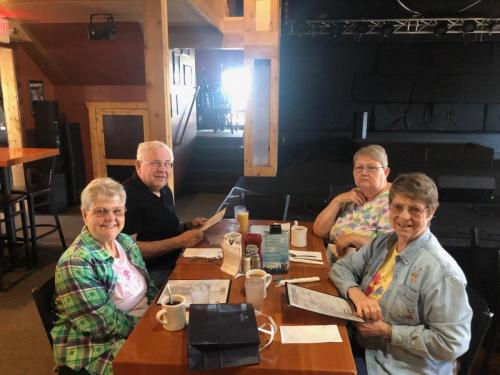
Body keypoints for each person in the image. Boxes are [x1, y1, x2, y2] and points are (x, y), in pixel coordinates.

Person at [330, 173, 472, 375]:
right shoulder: (384, 242)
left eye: (414, 209)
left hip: (396, 367)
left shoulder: (442, 272)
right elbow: (341, 267)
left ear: (431, 212)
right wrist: (357, 294)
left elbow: (452, 343)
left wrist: (388, 332)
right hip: (365, 347)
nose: (404, 216)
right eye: (398, 207)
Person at [51, 178, 158, 375]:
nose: (111, 218)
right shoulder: (77, 262)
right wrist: (153, 323)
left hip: (140, 322)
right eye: (101, 211)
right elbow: (102, 325)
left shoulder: (124, 241)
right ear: (85, 214)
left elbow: (149, 287)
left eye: (117, 210)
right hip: (97, 346)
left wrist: (160, 309)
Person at [122, 141, 207, 288]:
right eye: (155, 163)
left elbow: (159, 230)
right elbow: (130, 251)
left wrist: (188, 225)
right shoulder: (126, 197)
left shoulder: (164, 190)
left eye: (168, 163)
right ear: (138, 165)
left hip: (176, 258)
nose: (163, 169)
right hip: (149, 272)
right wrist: (179, 241)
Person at [313, 144, 392, 261]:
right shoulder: (354, 194)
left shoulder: (394, 202)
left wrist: (352, 238)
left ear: (386, 172)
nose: (364, 173)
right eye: (359, 168)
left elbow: (388, 247)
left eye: (371, 168)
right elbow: (319, 230)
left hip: (364, 273)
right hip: (332, 261)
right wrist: (337, 200)